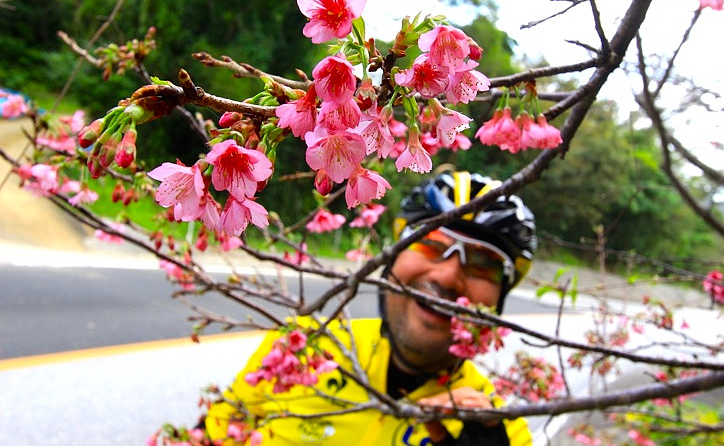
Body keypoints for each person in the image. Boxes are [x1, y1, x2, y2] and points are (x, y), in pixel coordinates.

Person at [205, 170, 537, 445]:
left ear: (499, 300)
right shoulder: (302, 346)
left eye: (483, 264)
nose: (448, 276)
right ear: (390, 259)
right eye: (430, 244)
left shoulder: (501, 429)